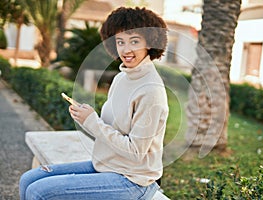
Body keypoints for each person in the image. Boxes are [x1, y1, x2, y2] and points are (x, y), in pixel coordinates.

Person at [19, 6, 169, 200]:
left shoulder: (151, 90)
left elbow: (136, 152)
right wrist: (87, 116)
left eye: (134, 41)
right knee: (29, 179)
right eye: (120, 42)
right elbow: (110, 127)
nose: (126, 49)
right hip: (106, 165)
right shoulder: (122, 79)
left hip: (133, 180)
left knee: (38, 191)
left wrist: (92, 121)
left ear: (149, 43)